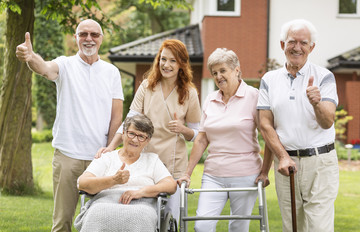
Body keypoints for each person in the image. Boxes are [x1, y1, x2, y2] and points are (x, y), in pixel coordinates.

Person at [15, 19, 124, 232]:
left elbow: (116, 117)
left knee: (101, 220)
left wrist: (110, 152)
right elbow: (45, 68)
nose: (88, 39)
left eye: (94, 34)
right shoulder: (65, 65)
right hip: (68, 156)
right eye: (83, 34)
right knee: (62, 222)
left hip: (99, 159)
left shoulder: (111, 72)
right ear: (75, 38)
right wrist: (30, 57)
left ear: (101, 39)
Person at [97, 39, 201, 222]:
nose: (166, 65)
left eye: (172, 61)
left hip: (174, 164)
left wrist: (183, 129)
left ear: (181, 65)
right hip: (145, 161)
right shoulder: (147, 86)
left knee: (171, 219)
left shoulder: (189, 93)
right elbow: (129, 122)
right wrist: (111, 146)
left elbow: (197, 135)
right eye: (163, 59)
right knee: (142, 215)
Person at [177, 48, 273, 232]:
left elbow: (268, 136)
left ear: (236, 70)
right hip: (213, 175)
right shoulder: (210, 99)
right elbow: (202, 139)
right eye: (214, 73)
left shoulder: (254, 96)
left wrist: (265, 172)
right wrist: (187, 173)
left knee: (238, 228)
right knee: (202, 226)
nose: (218, 76)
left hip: (246, 174)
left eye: (222, 71)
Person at [257, 19, 339, 232]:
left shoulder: (324, 77)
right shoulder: (269, 79)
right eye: (292, 41)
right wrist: (282, 156)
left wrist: (316, 102)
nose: (297, 47)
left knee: (319, 227)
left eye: (304, 43)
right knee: (292, 227)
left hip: (320, 164)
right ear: (282, 45)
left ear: (312, 47)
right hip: (287, 165)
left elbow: (327, 121)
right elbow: (265, 124)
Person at [74, 114, 177, 231]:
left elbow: (171, 185)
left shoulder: (152, 160)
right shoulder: (106, 158)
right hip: (104, 203)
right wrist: (113, 180)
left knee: (142, 216)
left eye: (141, 136)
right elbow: (82, 183)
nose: (135, 139)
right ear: (123, 133)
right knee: (97, 213)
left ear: (147, 141)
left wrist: (140, 192)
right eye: (132, 133)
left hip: (142, 205)